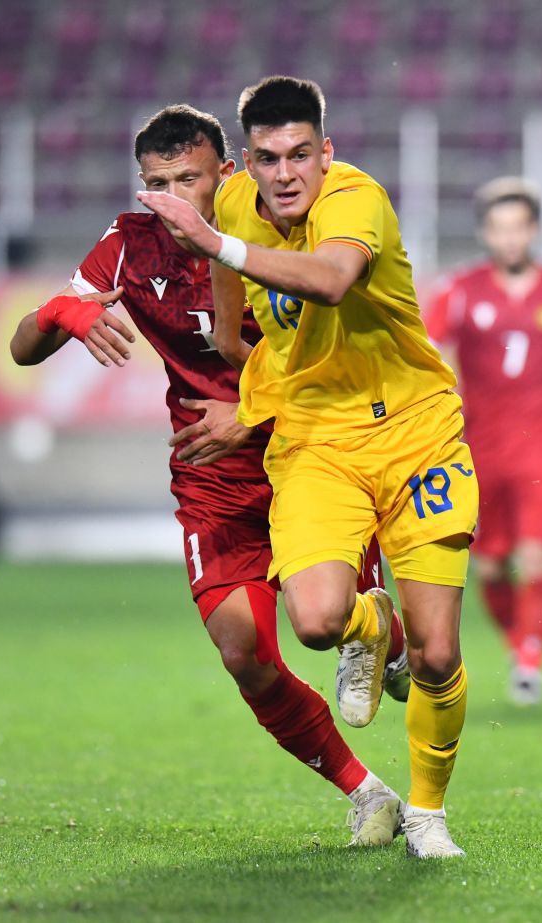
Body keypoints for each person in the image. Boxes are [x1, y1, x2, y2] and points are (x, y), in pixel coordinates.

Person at [9, 104, 409, 846]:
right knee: (245, 655)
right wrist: (62, 308)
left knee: (321, 627)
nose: (169, 197)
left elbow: (344, 357)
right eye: (154, 183)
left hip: (312, 455)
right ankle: (368, 792)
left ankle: (383, 624)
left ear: (223, 174)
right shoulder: (130, 248)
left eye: (186, 178)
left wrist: (251, 415)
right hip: (213, 480)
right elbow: (21, 349)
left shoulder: (284, 231)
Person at [137, 77, 479, 859]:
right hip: (319, 446)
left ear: (326, 153)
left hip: (419, 437)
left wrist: (213, 243)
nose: (285, 173)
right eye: (267, 158)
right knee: (320, 620)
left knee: (437, 656)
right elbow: (235, 338)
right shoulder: (229, 210)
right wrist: (250, 405)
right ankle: (372, 621)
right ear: (244, 165)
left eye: (300, 155)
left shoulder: (355, 199)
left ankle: (427, 814)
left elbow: (328, 281)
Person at [425, 177, 542, 705]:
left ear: (534, 230)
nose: (510, 239)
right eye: (499, 228)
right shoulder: (460, 291)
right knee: (488, 564)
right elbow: (431, 359)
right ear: (486, 232)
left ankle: (531, 660)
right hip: (477, 444)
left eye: (519, 227)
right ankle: (520, 642)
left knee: (534, 554)